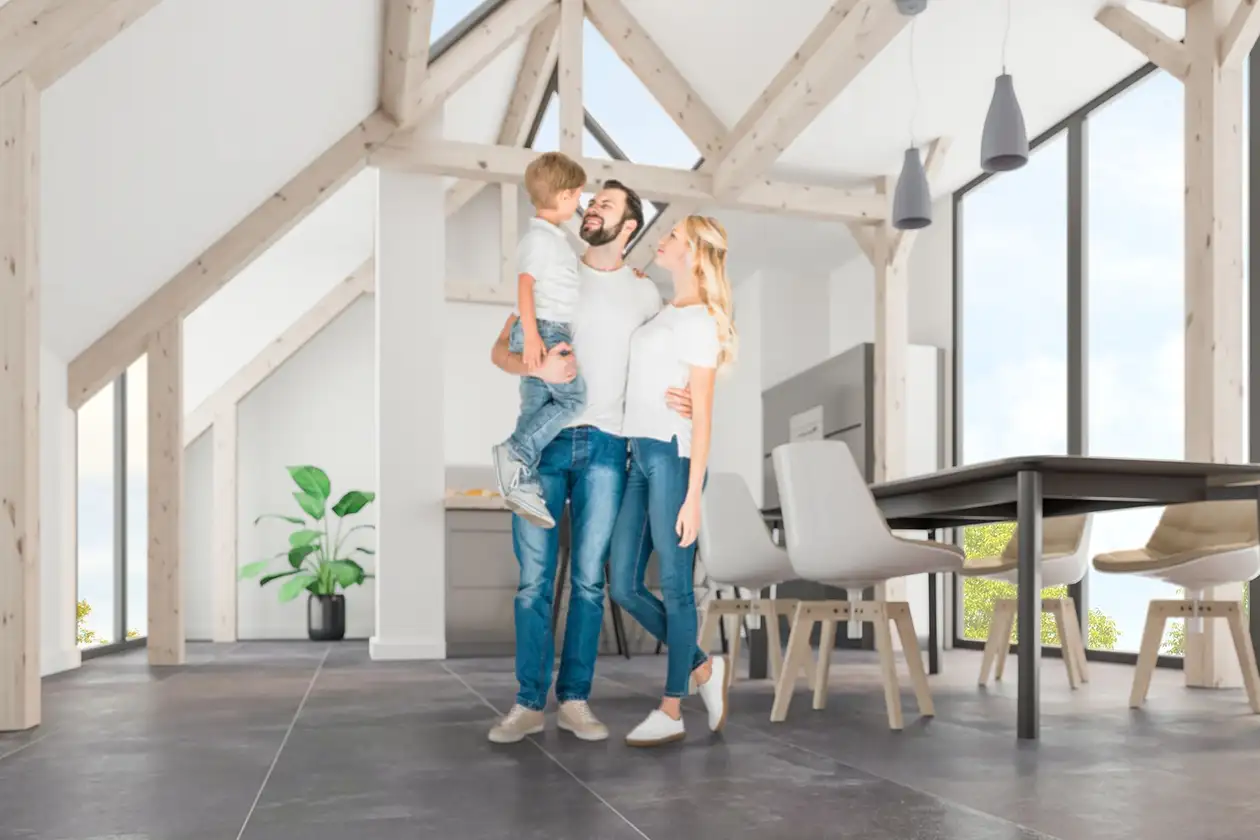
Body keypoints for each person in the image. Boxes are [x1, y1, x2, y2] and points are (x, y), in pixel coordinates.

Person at [485, 180, 692, 745]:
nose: (592, 207)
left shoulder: (646, 296)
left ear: (629, 228)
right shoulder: (556, 271)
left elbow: (677, 359)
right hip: (543, 446)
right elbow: (501, 351)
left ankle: (575, 700)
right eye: (591, 200)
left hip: (608, 446)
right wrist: (537, 368)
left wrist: (692, 397)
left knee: (588, 585)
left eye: (605, 204)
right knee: (533, 583)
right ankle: (528, 703)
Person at [609, 215, 737, 747]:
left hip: (672, 458)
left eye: (672, 238)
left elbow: (703, 415)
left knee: (678, 588)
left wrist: (693, 496)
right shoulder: (666, 310)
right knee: (622, 582)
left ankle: (671, 708)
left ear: (694, 253)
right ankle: (704, 667)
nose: (661, 241)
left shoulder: (703, 320)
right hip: (637, 455)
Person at [491, 152, 589, 530]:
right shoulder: (541, 240)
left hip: (545, 327)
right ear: (564, 196)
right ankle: (515, 451)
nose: (579, 202)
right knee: (574, 398)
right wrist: (533, 336)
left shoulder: (550, 238)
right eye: (578, 195)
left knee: (535, 407)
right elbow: (525, 285)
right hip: (547, 329)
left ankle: (521, 481)